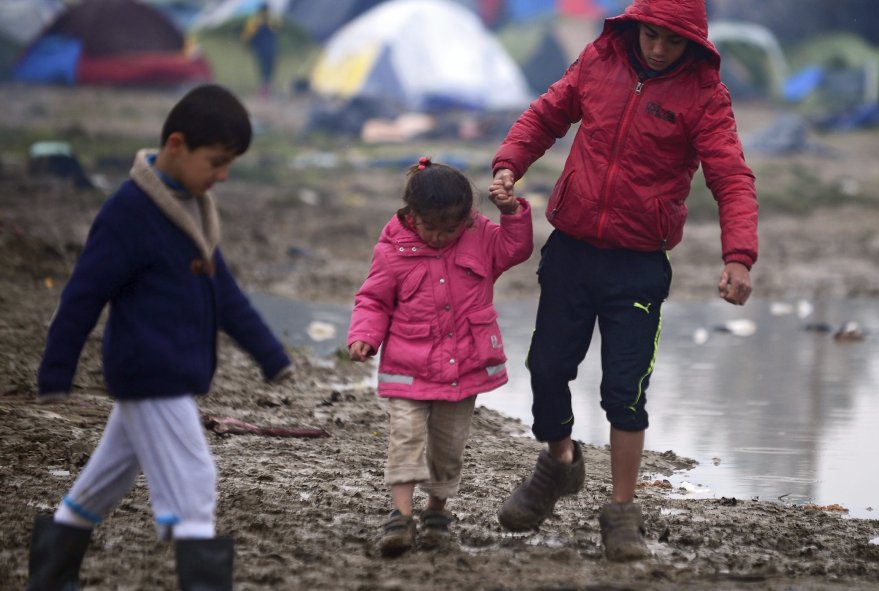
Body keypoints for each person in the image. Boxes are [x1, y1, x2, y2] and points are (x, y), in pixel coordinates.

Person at [488, 0, 758, 562]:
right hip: (572, 250)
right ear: (633, 26)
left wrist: (739, 257)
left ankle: (621, 512)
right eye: (650, 35)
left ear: (694, 45)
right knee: (546, 368)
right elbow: (546, 115)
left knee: (625, 392)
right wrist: (510, 162)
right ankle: (559, 465)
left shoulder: (705, 96)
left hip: (638, 264)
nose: (657, 48)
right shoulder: (598, 59)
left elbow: (731, 177)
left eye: (671, 41)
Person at [29, 84, 293, 590]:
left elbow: (226, 294)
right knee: (197, 485)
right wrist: (55, 370)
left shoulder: (193, 206)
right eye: (216, 162)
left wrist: (270, 354)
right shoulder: (129, 212)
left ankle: (49, 579)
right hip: (149, 373)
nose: (223, 175)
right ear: (176, 144)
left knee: (100, 484)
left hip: (166, 372)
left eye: (229, 164)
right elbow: (84, 294)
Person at [347, 157, 533, 557]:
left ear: (467, 218)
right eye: (429, 227)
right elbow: (374, 299)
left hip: (464, 367)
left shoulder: (482, 237)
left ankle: (435, 513)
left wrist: (512, 212)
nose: (437, 237)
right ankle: (400, 517)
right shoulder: (393, 247)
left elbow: (516, 248)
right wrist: (364, 336)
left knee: (448, 448)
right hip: (407, 366)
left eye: (450, 229)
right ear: (411, 214)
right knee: (405, 438)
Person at [241, 2, 279, 97]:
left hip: (267, 49)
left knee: (267, 70)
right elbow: (248, 36)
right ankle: (263, 91)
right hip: (264, 49)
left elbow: (247, 37)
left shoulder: (267, 21)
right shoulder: (255, 21)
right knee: (264, 70)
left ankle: (265, 91)